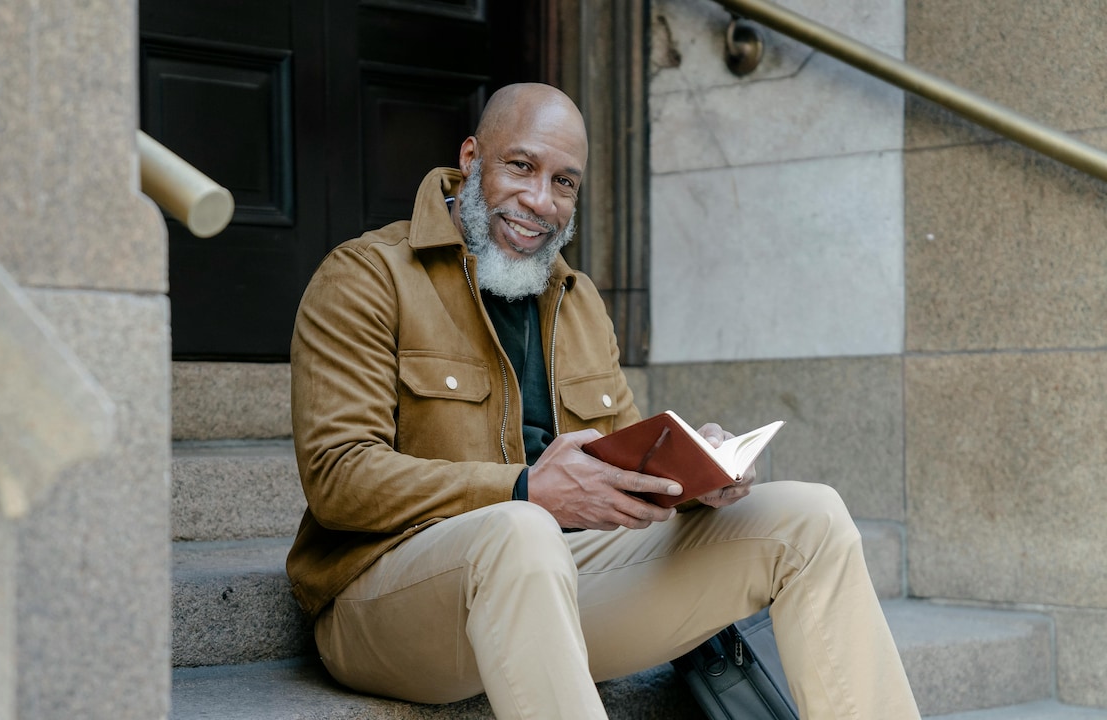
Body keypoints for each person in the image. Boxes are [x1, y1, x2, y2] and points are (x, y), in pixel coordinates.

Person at [287, 82, 920, 719]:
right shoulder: (368, 276)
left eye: (564, 182)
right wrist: (525, 490)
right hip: (384, 599)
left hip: (557, 581)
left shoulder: (578, 300)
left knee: (810, 517)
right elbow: (339, 479)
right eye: (521, 166)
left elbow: (627, 467)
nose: (541, 201)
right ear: (472, 158)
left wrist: (695, 475)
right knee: (520, 530)